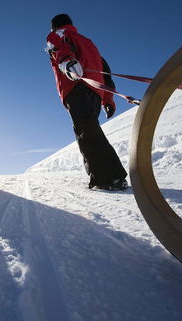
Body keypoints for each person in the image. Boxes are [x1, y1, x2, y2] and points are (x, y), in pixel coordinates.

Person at [45, 14, 127, 190]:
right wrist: (108, 99)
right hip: (95, 91)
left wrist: (67, 63)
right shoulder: (88, 42)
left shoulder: (57, 35)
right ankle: (110, 176)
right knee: (91, 128)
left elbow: (59, 49)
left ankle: (108, 178)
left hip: (75, 87)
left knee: (86, 131)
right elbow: (104, 69)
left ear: (55, 26)